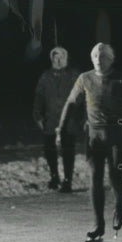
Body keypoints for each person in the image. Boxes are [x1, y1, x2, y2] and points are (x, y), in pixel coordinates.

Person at [58, 42, 122, 242]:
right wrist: (62, 128)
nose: (99, 59)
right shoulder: (85, 79)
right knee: (95, 179)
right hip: (94, 135)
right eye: (95, 55)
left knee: (116, 178)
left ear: (111, 59)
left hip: (118, 134)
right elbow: (71, 103)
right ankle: (98, 226)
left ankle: (119, 204)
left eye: (103, 56)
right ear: (91, 58)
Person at [33, 45, 81, 192]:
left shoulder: (74, 75)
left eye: (61, 57)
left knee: (68, 150)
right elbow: (39, 97)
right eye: (56, 57)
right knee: (50, 149)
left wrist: (79, 114)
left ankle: (67, 181)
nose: (58, 60)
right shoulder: (46, 77)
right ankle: (54, 176)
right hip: (50, 119)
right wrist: (38, 115)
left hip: (68, 119)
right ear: (52, 59)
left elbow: (82, 95)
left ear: (66, 58)